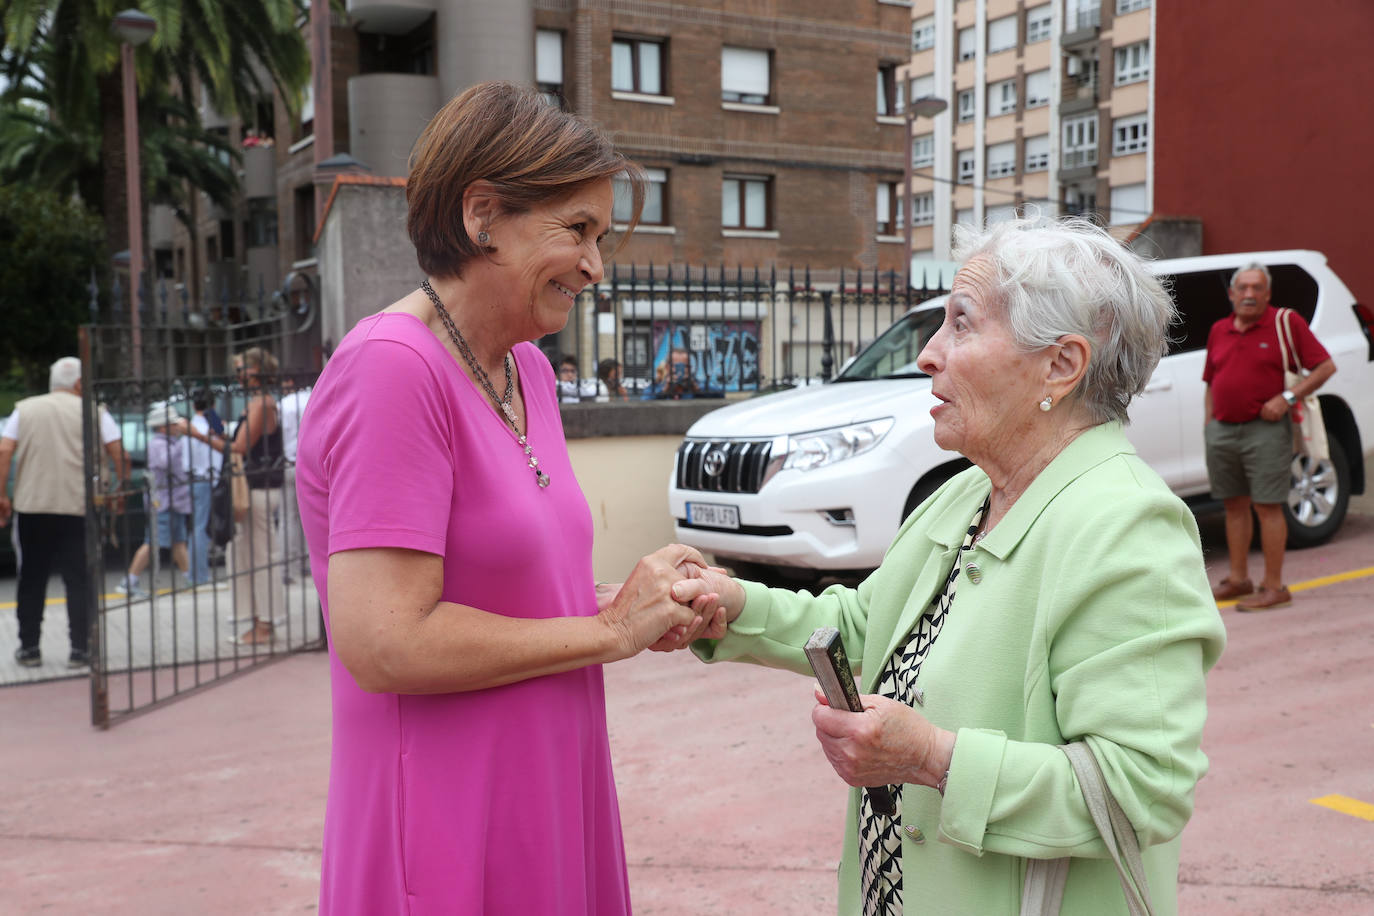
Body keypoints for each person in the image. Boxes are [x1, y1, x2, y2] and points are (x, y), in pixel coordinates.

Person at [670, 218, 1228, 916]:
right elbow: (866, 624)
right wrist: (730, 605)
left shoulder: (1128, 527)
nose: (929, 354)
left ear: (1061, 364)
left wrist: (931, 758)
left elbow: (1139, 789)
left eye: (960, 325)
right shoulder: (968, 492)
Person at [293, 81, 714, 914]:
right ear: (483, 214)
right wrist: (605, 631)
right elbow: (385, 642)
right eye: (578, 230)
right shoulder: (392, 370)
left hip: (548, 786)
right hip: (448, 814)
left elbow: (509, 594)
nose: (597, 266)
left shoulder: (528, 370)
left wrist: (636, 607)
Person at [1203, 263, 1336, 611]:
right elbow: (1210, 381)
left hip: (1265, 430)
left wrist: (1287, 398)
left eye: (1256, 288)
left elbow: (1325, 367)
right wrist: (1209, 424)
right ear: (1232, 294)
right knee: (1233, 504)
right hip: (1223, 430)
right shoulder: (1219, 329)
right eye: (1242, 288)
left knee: (1267, 506)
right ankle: (1238, 578)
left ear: (1268, 293)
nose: (1249, 294)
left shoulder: (1285, 323)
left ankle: (1275, 587)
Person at [0, 356, 128, 669]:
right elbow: (118, 453)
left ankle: (29, 648)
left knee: (31, 577)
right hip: (79, 506)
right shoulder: (95, 412)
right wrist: (118, 491)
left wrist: (2, 494)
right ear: (79, 384)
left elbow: (4, 450)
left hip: (34, 506)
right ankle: (80, 649)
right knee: (78, 578)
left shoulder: (25, 409)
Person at [188, 348, 285, 644]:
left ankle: (266, 625)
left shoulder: (264, 404)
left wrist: (196, 434)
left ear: (259, 369)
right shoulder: (255, 403)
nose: (239, 375)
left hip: (258, 489)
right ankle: (257, 622)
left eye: (244, 369)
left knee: (261, 557)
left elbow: (240, 448)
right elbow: (236, 441)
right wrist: (213, 428)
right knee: (246, 557)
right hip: (253, 488)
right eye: (238, 369)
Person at [116, 402, 193, 597]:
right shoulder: (157, 444)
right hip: (162, 503)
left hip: (176, 501)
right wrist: (184, 439)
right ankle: (130, 580)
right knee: (153, 542)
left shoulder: (173, 442)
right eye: (173, 424)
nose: (177, 427)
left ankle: (190, 578)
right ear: (162, 427)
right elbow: (164, 463)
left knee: (179, 541)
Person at [187, 389, 225, 589]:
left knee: (197, 526)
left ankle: (196, 573)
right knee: (201, 528)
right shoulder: (211, 428)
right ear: (213, 405)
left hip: (192, 478)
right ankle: (199, 576)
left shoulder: (190, 426)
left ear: (194, 406)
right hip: (208, 479)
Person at [276, 372, 312, 582]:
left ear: (289, 381)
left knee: (288, 518)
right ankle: (308, 563)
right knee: (309, 515)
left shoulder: (284, 405)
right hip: (311, 464)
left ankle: (289, 569)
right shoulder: (313, 398)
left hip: (289, 462)